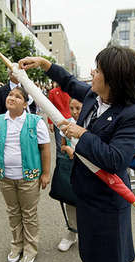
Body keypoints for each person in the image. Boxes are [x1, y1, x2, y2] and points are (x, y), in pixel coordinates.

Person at [19, 45, 135, 262]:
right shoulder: (93, 95)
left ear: (113, 78)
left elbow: (115, 160)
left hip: (108, 205)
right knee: (90, 258)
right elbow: (68, 81)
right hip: (85, 197)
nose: (92, 73)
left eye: (98, 70)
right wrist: (44, 64)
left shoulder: (132, 114)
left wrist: (81, 134)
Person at [0, 86, 51, 262]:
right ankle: (17, 245)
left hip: (29, 177)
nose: (12, 98)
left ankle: (30, 248)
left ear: (25, 103)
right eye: (10, 95)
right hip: (5, 177)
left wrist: (46, 173)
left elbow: (45, 148)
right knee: (13, 212)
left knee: (29, 214)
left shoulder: (35, 122)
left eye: (17, 96)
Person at [56, 98, 82, 252]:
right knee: (71, 200)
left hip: (91, 169)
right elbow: (63, 145)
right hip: (72, 166)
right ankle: (72, 233)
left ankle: (90, 234)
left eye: (78, 108)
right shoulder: (67, 123)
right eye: (71, 108)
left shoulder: (93, 122)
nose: (74, 112)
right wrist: (67, 150)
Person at [48, 81, 71, 158]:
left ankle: (61, 163)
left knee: (60, 144)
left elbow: (50, 109)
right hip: (70, 120)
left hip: (58, 121)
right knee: (71, 143)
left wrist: (50, 123)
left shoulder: (52, 92)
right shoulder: (70, 91)